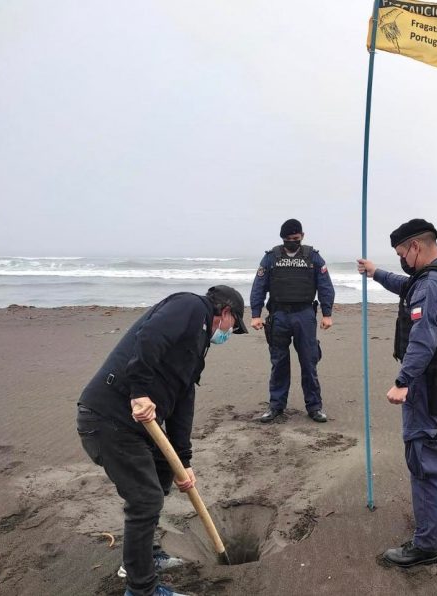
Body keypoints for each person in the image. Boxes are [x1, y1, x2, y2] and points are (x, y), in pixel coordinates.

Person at [76, 286, 247, 596]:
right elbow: (150, 335)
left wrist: (184, 460)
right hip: (108, 417)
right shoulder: (190, 306)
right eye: (233, 326)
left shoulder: (196, 349)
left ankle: (144, 556)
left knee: (164, 471)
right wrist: (139, 391)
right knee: (146, 499)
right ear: (225, 314)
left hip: (139, 425)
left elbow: (183, 403)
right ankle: (142, 589)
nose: (228, 333)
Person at [357, 218, 437, 567]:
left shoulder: (432, 283)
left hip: (430, 384)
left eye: (401, 254)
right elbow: (409, 285)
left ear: (416, 247)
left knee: (427, 462)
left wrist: (403, 381)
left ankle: (426, 547)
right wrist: (375, 272)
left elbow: (424, 338)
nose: (401, 261)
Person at [250, 218, 335, 423]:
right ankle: (276, 406)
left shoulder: (313, 257)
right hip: (278, 315)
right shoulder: (271, 258)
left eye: (295, 238)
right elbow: (259, 286)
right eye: (288, 239)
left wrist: (327, 313)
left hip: (304, 315)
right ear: (282, 239)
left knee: (309, 361)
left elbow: (325, 286)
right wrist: (255, 314)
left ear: (302, 236)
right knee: (278, 362)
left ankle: (314, 407)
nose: (292, 242)